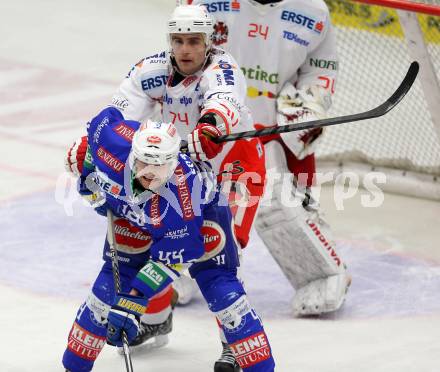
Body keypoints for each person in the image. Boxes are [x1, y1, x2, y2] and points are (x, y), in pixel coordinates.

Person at [67, 4, 266, 371]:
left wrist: (210, 127)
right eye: (178, 40)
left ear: (209, 41)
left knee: (221, 254)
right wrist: (91, 146)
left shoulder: (223, 69)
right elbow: (119, 117)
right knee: (145, 239)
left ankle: (233, 346)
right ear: (169, 41)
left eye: (194, 41)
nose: (186, 49)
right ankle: (155, 318)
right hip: (176, 167)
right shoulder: (150, 71)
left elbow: (224, 103)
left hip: (233, 166)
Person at [62, 113, 275, 372]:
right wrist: (85, 159)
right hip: (134, 216)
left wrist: (134, 301)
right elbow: (102, 121)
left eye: (160, 165)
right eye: (144, 163)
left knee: (223, 293)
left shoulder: (182, 193)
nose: (150, 174)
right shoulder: (112, 142)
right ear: (133, 153)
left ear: (173, 162)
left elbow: (174, 258)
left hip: (203, 218)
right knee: (104, 296)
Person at [188, 0, 351, 317]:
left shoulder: (312, 11)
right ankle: (179, 270)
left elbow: (320, 70)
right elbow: (180, 56)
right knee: (190, 195)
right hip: (211, 125)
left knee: (280, 204)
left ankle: (322, 273)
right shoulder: (207, 3)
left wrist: (307, 106)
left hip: (275, 129)